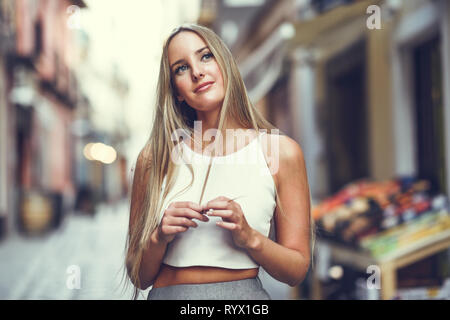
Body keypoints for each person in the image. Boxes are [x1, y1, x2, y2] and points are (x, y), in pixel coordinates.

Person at [123, 23, 313, 300]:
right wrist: (159, 237)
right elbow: (138, 276)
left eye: (206, 56)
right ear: (176, 90)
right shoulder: (155, 157)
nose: (197, 72)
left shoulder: (280, 152)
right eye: (181, 68)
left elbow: (296, 271)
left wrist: (250, 237)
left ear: (225, 64)